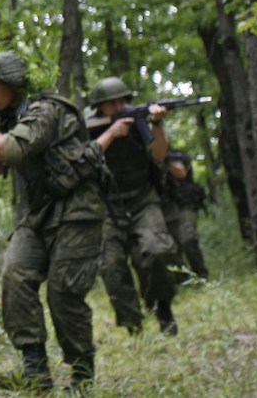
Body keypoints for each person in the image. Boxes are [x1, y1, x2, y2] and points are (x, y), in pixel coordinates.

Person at [0, 52, 108, 394]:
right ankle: (35, 370)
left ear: (14, 84)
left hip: (78, 212)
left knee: (63, 294)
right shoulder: (8, 119)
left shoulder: (46, 110)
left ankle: (82, 376)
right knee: (15, 276)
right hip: (39, 215)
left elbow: (14, 151)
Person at [86, 76, 181, 336]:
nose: (118, 107)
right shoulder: (88, 126)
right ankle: (132, 325)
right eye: (111, 104)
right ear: (99, 107)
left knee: (158, 251)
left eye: (122, 101)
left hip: (142, 199)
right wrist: (111, 133)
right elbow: (84, 159)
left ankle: (162, 307)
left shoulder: (139, 120)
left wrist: (157, 123)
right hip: (106, 206)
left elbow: (159, 155)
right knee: (111, 266)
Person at [160, 149, 210, 282]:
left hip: (184, 204)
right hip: (164, 208)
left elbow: (182, 173)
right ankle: (182, 278)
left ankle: (201, 274)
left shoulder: (174, 156)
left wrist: (163, 159)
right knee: (169, 247)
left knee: (188, 239)